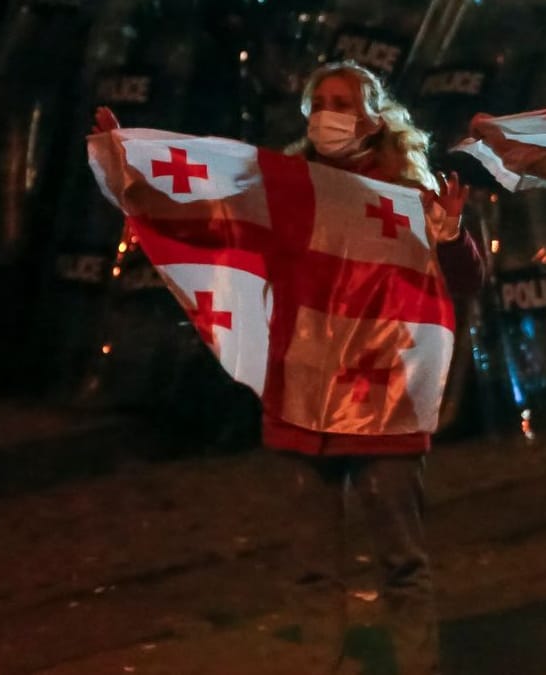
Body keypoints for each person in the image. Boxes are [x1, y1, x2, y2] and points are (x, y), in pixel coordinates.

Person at [94, 59, 485, 674]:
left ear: (374, 115)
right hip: (306, 398)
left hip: (385, 402)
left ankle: (417, 666)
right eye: (321, 100)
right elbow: (206, 222)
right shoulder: (284, 187)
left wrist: (451, 235)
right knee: (311, 565)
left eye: (344, 100)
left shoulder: (414, 192)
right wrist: (131, 179)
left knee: (401, 561)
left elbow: (465, 282)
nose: (331, 113)